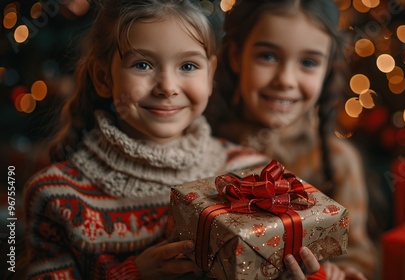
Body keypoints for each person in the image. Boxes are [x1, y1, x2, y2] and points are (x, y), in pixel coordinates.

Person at [21, 0, 321, 279]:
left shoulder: (253, 176)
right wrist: (132, 273)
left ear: (210, 74)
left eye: (188, 66)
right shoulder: (57, 196)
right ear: (103, 77)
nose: (167, 86)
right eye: (142, 65)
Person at [206, 0, 377, 279]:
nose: (285, 79)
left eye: (308, 62)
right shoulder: (201, 145)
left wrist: (337, 273)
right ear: (237, 56)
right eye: (268, 57)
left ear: (327, 68)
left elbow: (359, 259)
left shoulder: (337, 161)